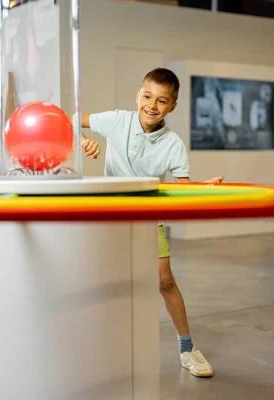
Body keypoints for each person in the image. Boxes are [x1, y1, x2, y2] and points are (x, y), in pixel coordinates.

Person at [80, 68, 223, 378]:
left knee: (164, 280)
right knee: (97, 279)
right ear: (137, 95)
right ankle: (92, 346)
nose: (151, 106)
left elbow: (182, 189)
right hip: (110, 214)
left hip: (147, 215)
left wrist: (205, 188)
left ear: (172, 106)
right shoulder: (118, 120)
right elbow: (65, 118)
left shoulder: (173, 144)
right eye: (147, 97)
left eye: (161, 101)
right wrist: (83, 141)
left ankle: (187, 349)